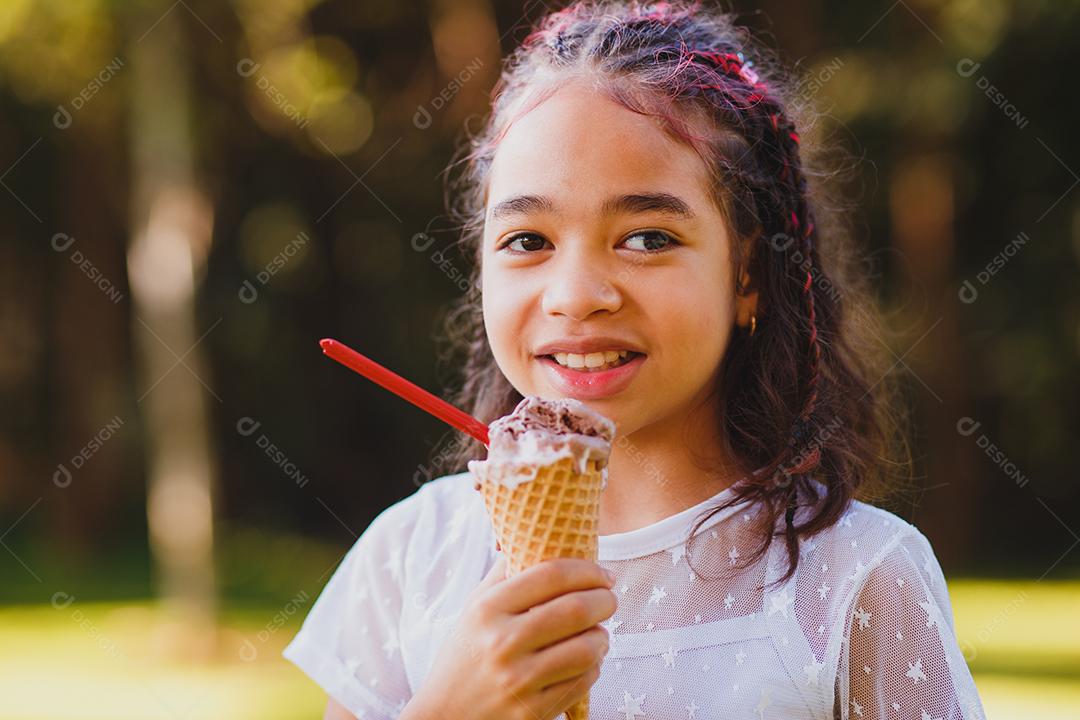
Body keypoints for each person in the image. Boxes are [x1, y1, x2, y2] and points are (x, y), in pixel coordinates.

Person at [283, 2, 988, 718]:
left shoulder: (856, 579)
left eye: (647, 238)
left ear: (748, 275)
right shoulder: (410, 559)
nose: (576, 296)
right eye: (528, 240)